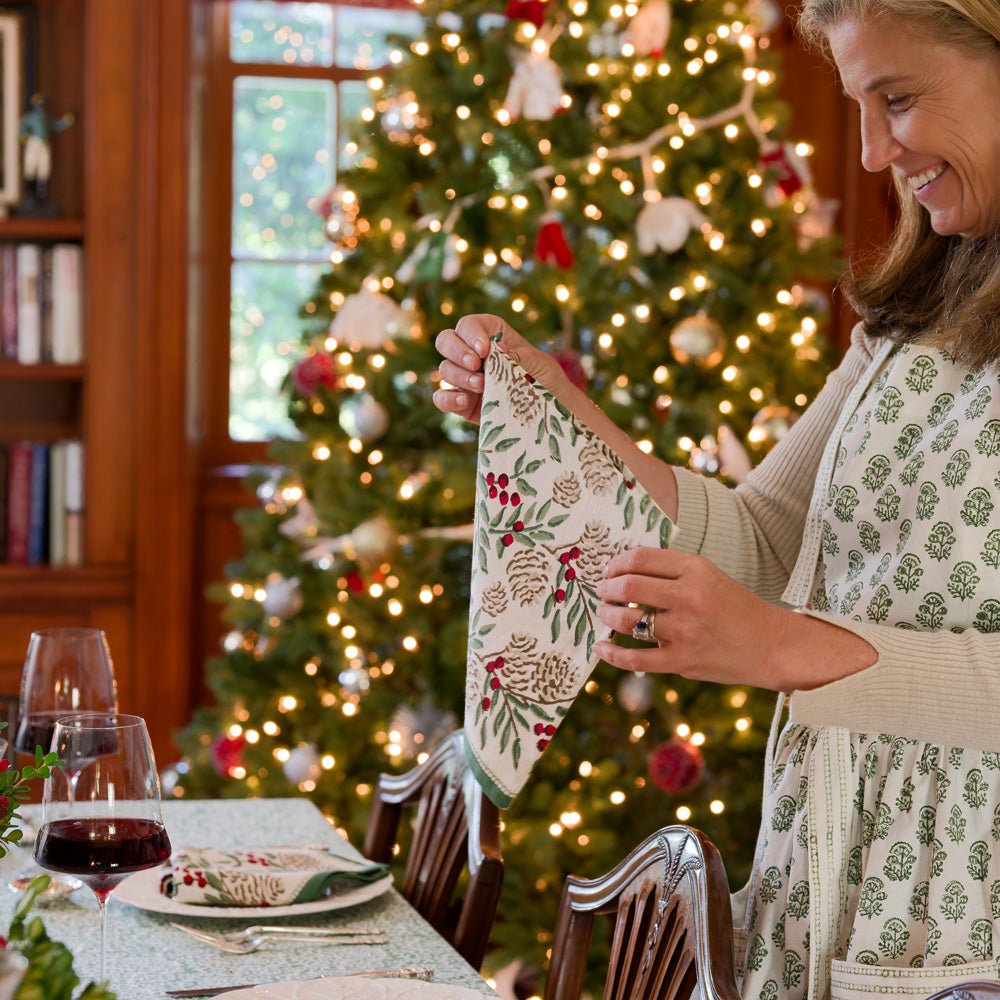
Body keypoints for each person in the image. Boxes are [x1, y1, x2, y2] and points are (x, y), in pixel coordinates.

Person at [433, 0, 1000, 996]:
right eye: (856, 105)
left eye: (897, 98)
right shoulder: (911, 326)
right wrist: (553, 409)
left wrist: (786, 649)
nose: (871, 150)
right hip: (826, 876)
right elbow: (757, 533)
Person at [19, 93, 75, 204]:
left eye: (42, 104)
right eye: (39, 104)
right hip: (34, 142)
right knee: (31, 166)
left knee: (44, 167)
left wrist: (66, 122)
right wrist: (23, 136)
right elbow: (22, 127)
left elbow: (57, 125)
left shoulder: (45, 118)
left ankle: (41, 194)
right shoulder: (30, 117)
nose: (40, 106)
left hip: (44, 143)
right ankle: (29, 193)